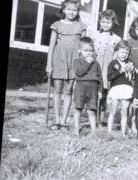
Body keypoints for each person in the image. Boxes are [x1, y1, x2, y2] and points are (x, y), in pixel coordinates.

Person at [45, 0, 87, 130]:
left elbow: (84, 48)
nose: (71, 12)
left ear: (78, 11)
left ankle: (63, 121)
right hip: (58, 60)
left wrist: (83, 65)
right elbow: (51, 46)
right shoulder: (56, 25)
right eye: (69, 9)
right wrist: (49, 64)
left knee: (68, 90)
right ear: (63, 10)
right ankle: (56, 120)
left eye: (74, 10)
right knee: (57, 89)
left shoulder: (81, 26)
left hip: (73, 61)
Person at [91, 9, 121, 126]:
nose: (105, 24)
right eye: (103, 22)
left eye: (108, 22)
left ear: (113, 23)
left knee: (104, 94)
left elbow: (116, 56)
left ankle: (101, 119)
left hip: (107, 70)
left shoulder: (117, 39)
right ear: (100, 22)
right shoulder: (94, 35)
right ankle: (93, 118)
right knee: (94, 93)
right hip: (95, 68)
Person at [73, 37, 103, 136]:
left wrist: (100, 91)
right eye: (86, 51)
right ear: (80, 51)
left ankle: (93, 131)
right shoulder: (77, 61)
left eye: (91, 51)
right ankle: (76, 129)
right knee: (78, 108)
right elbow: (79, 72)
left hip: (93, 89)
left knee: (92, 110)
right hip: (81, 88)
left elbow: (100, 78)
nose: (89, 53)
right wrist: (87, 62)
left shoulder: (96, 64)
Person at [106, 40, 136, 137]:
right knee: (113, 111)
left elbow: (134, 77)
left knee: (124, 112)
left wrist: (133, 71)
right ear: (117, 52)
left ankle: (123, 133)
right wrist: (120, 71)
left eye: (126, 53)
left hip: (126, 89)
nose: (124, 55)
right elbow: (109, 77)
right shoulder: (113, 63)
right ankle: (109, 132)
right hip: (115, 89)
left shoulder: (130, 62)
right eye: (122, 52)